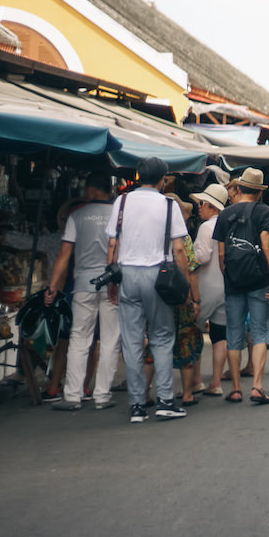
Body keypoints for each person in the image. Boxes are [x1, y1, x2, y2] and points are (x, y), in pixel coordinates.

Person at [104, 156, 197, 423]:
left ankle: (136, 405)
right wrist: (186, 286)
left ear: (137, 176)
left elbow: (113, 245)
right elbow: (179, 248)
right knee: (162, 338)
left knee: (132, 341)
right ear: (163, 179)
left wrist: (111, 281)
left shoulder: (121, 202)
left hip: (127, 275)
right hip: (158, 274)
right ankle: (166, 401)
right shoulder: (169, 205)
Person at [43, 174, 120, 411]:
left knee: (79, 339)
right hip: (112, 285)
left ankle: (73, 396)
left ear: (92, 190)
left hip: (83, 285)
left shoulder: (76, 216)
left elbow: (64, 255)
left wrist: (53, 286)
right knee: (109, 340)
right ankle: (102, 396)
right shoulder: (119, 216)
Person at [213, 168, 269, 405]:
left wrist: (229, 274)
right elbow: (267, 246)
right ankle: (257, 387)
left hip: (233, 281)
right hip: (259, 280)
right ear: (259, 193)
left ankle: (237, 389)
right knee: (260, 331)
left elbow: (220, 254)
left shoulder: (224, 213)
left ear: (238, 189)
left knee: (234, 333)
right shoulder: (263, 211)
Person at [190, 183, 229, 398]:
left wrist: (187, 258)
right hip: (224, 287)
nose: (199, 207)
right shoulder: (227, 224)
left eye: (202, 203)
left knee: (194, 331)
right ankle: (216, 381)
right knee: (219, 334)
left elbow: (202, 257)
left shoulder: (206, 228)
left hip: (206, 287)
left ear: (213, 206)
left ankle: (196, 381)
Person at [167, 195, 204, 406]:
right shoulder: (184, 238)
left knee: (154, 342)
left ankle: (144, 394)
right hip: (180, 296)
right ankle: (188, 393)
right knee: (186, 339)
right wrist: (195, 299)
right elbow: (191, 271)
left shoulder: (148, 232)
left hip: (156, 294)